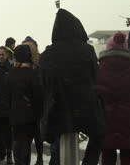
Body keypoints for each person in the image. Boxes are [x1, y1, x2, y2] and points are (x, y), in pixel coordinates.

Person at [39, 9, 104, 165]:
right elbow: (96, 78)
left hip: (59, 106)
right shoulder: (87, 50)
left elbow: (43, 83)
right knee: (99, 135)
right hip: (85, 106)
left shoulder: (48, 53)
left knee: (59, 145)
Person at [97, 32, 130, 165]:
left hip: (106, 118)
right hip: (129, 119)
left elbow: (94, 90)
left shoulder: (100, 68)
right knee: (128, 156)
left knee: (107, 155)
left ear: (108, 48)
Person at [8, 44, 42, 165]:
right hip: (30, 115)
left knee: (18, 143)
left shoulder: (12, 73)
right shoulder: (32, 74)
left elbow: (7, 94)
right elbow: (38, 95)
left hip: (15, 114)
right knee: (25, 145)